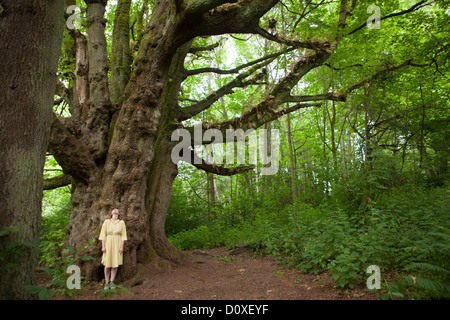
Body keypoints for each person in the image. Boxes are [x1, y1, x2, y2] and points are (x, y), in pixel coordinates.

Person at [98, 208, 127, 290]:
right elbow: (103, 234)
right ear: (111, 213)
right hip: (108, 244)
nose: (115, 210)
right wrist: (103, 246)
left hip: (117, 245)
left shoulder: (121, 222)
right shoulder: (107, 222)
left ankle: (112, 281)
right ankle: (106, 282)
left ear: (119, 213)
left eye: (117, 210)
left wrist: (122, 247)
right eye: (113, 210)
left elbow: (123, 236)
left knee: (115, 264)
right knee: (107, 264)